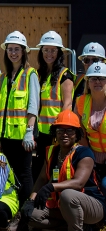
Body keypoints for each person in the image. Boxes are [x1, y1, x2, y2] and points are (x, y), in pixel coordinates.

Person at [25, 110, 106, 231]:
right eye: (60, 130)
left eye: (70, 130)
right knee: (32, 215)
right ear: (54, 133)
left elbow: (79, 182)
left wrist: (51, 187)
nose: (65, 134)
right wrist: (31, 200)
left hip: (93, 206)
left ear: (77, 134)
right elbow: (42, 178)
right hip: (66, 206)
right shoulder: (52, 152)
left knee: (68, 195)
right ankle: (77, 229)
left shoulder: (85, 153)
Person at [0, 31, 39, 231]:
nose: (13, 53)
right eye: (10, 49)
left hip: (22, 137)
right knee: (7, 177)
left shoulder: (30, 74)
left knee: (24, 175)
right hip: (4, 137)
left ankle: (23, 219)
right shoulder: (4, 77)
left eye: (17, 49)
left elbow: (33, 105)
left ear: (23, 52)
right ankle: (8, 214)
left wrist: (30, 131)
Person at [35, 30, 74, 176]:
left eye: (53, 50)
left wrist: (60, 130)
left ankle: (54, 197)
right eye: (46, 50)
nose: (49, 54)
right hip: (41, 132)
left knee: (55, 168)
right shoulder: (39, 74)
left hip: (55, 132)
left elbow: (67, 105)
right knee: (41, 167)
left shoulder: (65, 75)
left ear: (59, 52)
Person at [75, 62, 106, 196]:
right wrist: (89, 157)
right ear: (88, 81)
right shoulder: (81, 102)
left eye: (101, 78)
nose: (97, 82)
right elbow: (80, 133)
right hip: (92, 157)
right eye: (93, 78)